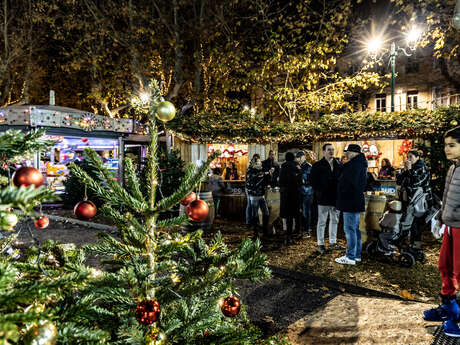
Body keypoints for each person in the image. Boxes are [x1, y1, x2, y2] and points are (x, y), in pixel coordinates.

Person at [423, 126, 460, 337]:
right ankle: (449, 307)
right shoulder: (453, 167)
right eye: (446, 145)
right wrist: (440, 217)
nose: (447, 149)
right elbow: (447, 196)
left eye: (452, 145)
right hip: (451, 225)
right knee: (444, 266)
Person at [335, 144, 367, 265]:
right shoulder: (359, 164)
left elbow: (350, 183)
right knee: (354, 229)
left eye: (347, 152)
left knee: (349, 229)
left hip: (350, 201)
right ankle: (356, 254)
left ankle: (350, 256)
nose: (346, 154)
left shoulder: (354, 165)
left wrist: (342, 190)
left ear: (354, 153)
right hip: (355, 201)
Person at [310, 143, 343, 254]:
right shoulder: (317, 165)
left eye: (332, 150)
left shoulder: (339, 164)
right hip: (323, 198)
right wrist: (320, 192)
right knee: (322, 221)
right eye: (329, 150)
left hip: (336, 198)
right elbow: (313, 181)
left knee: (335, 220)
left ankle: (333, 242)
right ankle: (320, 244)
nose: (331, 152)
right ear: (323, 151)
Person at [396, 149, 432, 250]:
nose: (408, 159)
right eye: (407, 157)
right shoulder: (408, 167)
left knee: (416, 222)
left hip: (420, 200)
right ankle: (406, 242)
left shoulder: (422, 167)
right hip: (409, 199)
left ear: (417, 157)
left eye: (411, 157)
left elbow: (416, 183)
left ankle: (415, 245)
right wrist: (402, 171)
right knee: (408, 219)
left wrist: (409, 170)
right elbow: (399, 181)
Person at [279, 152, 302, 245]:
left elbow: (280, 181)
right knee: (296, 214)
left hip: (285, 195)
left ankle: (287, 237)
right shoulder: (297, 166)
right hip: (295, 194)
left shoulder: (283, 166)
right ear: (293, 158)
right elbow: (300, 179)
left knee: (288, 216)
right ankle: (294, 234)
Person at [245, 155, 270, 238]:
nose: (261, 163)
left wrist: (268, 175)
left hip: (261, 195)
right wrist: (264, 175)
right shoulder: (250, 171)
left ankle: (265, 231)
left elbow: (265, 181)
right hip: (254, 196)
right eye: (259, 162)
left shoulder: (261, 171)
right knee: (255, 214)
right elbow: (253, 182)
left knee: (266, 213)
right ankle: (255, 233)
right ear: (255, 163)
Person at [296, 151, 313, 238]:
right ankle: (303, 228)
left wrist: (304, 181)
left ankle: (307, 230)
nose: (297, 159)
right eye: (297, 157)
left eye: (299, 157)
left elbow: (311, 180)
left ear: (303, 157)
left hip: (307, 192)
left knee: (306, 211)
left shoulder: (308, 167)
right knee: (302, 211)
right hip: (300, 192)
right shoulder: (299, 166)